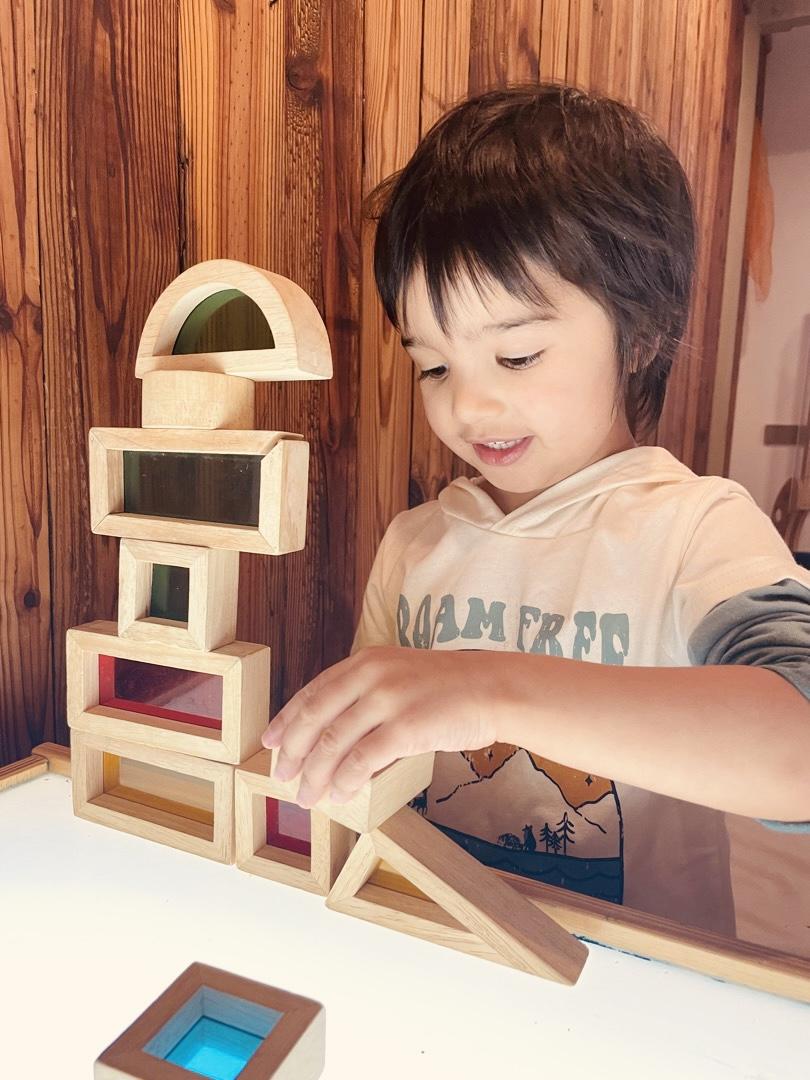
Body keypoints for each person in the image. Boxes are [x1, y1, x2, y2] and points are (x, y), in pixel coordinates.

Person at [262, 84, 810, 934]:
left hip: (630, 987)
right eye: (434, 366)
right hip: (441, 947)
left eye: (515, 355)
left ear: (643, 334)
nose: (468, 409)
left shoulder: (696, 528)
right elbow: (371, 773)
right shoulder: (416, 545)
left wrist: (490, 688)